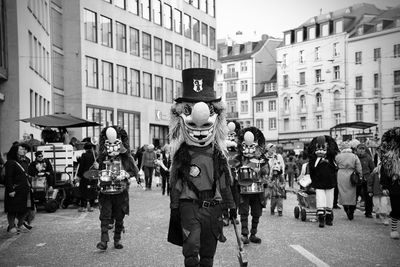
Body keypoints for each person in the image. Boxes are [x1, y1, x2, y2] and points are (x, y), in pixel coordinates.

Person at [167, 68, 235, 267]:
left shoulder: (217, 156)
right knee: (191, 248)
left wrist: (231, 207)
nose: (198, 132)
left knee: (207, 253)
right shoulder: (181, 155)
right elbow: (176, 183)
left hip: (213, 208)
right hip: (189, 206)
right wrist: (174, 207)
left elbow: (224, 184)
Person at [96, 126, 139, 250]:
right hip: (106, 190)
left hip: (121, 190)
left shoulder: (125, 158)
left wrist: (125, 174)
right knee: (105, 215)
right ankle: (104, 240)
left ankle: (117, 239)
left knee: (119, 215)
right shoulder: (103, 157)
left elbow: (132, 171)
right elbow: (98, 170)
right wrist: (100, 176)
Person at [236, 127, 269, 244]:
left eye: (251, 147)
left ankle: (253, 234)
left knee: (256, 213)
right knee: (243, 212)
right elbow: (233, 170)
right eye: (246, 146)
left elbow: (266, 172)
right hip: (243, 189)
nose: (249, 150)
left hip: (257, 190)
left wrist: (263, 170)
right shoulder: (238, 159)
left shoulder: (261, 159)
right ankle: (244, 234)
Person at [308, 135, 339, 228]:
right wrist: (314, 181)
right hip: (319, 182)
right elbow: (312, 170)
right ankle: (321, 218)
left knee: (329, 201)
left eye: (323, 147)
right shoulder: (313, 159)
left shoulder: (331, 159)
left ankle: (329, 217)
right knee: (320, 200)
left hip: (329, 182)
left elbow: (335, 168)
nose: (321, 149)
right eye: (319, 147)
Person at [3, 143, 35, 233]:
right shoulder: (10, 163)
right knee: (12, 209)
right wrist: (10, 190)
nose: (23, 150)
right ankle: (12, 226)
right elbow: (8, 177)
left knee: (25, 208)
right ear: (15, 151)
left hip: (24, 189)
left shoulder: (24, 161)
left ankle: (20, 224)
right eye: (21, 149)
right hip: (15, 190)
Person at [379, 127, 400, 239]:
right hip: (395, 185)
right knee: (396, 208)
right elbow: (384, 171)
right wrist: (385, 186)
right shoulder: (389, 157)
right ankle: (394, 229)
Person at [335, 141, 362, 221]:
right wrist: (360, 175)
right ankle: (351, 209)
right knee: (352, 193)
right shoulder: (354, 156)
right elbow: (359, 167)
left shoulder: (338, 156)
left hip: (341, 174)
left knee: (342, 192)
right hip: (351, 174)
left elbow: (335, 165)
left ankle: (346, 207)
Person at [75, 141, 98, 212]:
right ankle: (91, 206)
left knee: (83, 191)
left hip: (85, 176)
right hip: (93, 175)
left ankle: (83, 207)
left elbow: (81, 166)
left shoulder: (84, 155)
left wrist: (78, 176)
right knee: (92, 190)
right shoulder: (95, 155)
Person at [356, 143, 375, 218]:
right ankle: (351, 210)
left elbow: (372, 168)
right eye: (360, 149)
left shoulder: (368, 158)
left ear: (365, 150)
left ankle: (368, 212)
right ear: (357, 149)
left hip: (367, 178)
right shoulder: (355, 157)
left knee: (368, 196)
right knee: (355, 195)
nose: (361, 150)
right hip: (357, 178)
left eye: (363, 149)